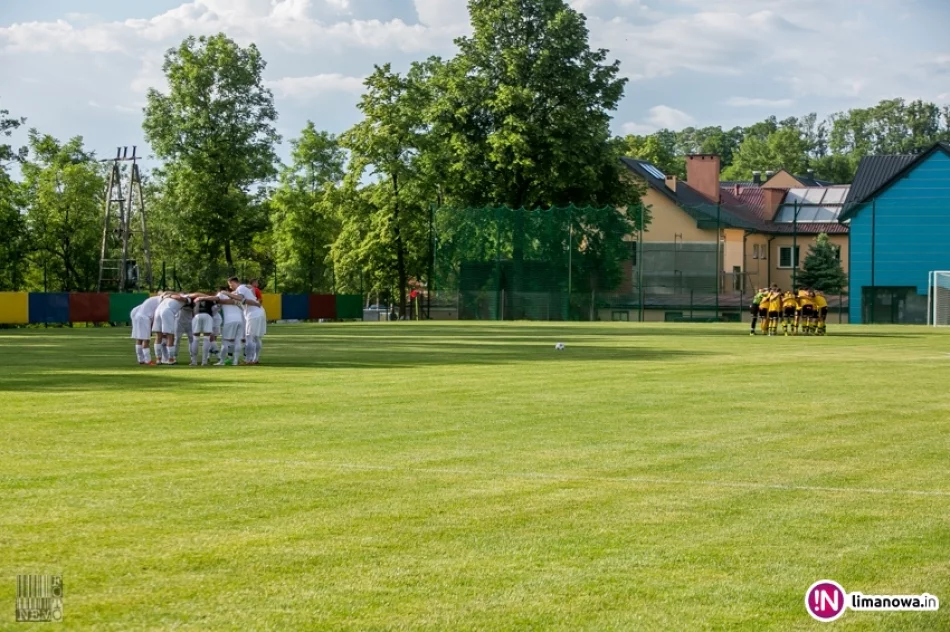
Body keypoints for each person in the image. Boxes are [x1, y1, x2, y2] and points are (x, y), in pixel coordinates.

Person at [232, 277, 266, 365]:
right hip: (260, 312)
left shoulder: (240, 288)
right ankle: (255, 359)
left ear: (234, 282)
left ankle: (248, 360)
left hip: (253, 314)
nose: (230, 286)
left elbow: (242, 299)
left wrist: (227, 294)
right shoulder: (246, 287)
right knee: (257, 337)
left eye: (230, 284)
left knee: (249, 337)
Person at [152, 292, 188, 364]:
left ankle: (158, 359)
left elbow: (163, 295)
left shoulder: (167, 297)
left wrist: (168, 295)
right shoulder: (185, 297)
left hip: (157, 311)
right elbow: (181, 298)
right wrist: (171, 295)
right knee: (170, 335)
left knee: (159, 336)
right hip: (167, 311)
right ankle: (171, 359)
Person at [130, 292, 165, 365]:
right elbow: (155, 316)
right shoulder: (160, 301)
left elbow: (134, 311)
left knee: (139, 339)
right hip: (144, 318)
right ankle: (148, 360)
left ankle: (140, 359)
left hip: (136, 316)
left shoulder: (151, 300)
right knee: (146, 339)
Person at [215, 284, 245, 366]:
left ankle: (221, 361)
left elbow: (217, 302)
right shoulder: (235, 296)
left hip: (229, 320)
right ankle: (235, 361)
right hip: (239, 320)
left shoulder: (221, 294)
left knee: (225, 342)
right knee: (237, 341)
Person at [191, 293, 219, 366]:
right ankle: (204, 361)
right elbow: (215, 308)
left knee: (195, 339)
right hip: (207, 315)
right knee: (206, 338)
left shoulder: (194, 299)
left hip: (197, 316)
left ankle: (194, 361)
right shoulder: (210, 299)